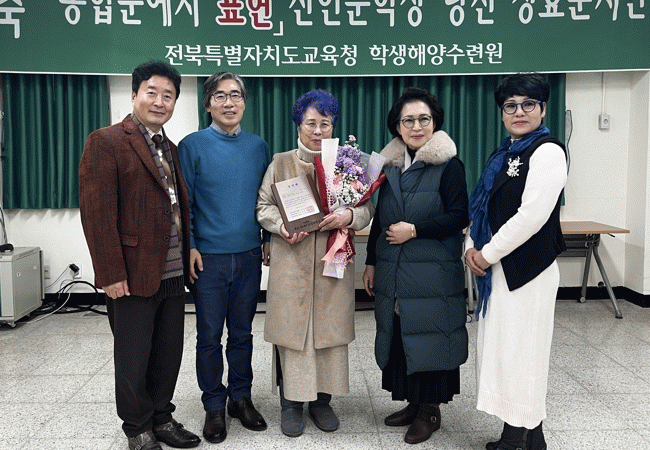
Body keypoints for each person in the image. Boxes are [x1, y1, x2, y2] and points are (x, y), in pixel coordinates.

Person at [79, 61, 201, 450]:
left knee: (167, 353)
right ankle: (137, 428)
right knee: (133, 356)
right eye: (152, 92)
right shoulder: (107, 141)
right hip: (131, 273)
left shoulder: (171, 148)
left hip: (172, 272)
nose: (160, 101)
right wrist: (110, 273)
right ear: (134, 95)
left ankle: (162, 417)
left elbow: (176, 209)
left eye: (168, 95)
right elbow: (97, 215)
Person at [256, 89, 374, 437]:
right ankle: (291, 404)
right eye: (311, 123)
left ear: (333, 126)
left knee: (328, 334)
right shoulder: (280, 163)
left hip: (332, 263)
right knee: (292, 335)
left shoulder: (347, 164)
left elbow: (367, 209)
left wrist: (349, 216)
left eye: (325, 123)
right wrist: (280, 227)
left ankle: (323, 401)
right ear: (299, 125)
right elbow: (263, 206)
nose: (318, 130)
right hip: (291, 263)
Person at [465, 73, 567, 450]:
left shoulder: (548, 151)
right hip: (500, 270)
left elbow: (531, 216)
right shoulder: (506, 153)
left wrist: (486, 253)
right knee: (510, 353)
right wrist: (471, 246)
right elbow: (483, 206)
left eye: (528, 104)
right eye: (510, 105)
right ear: (502, 112)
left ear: (543, 108)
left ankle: (515, 439)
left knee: (525, 355)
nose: (519, 112)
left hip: (528, 272)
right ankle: (530, 436)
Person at [362, 87, 469, 445]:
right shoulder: (390, 167)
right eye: (408, 120)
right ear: (397, 126)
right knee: (402, 334)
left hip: (432, 272)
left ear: (435, 122)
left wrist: (416, 230)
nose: (416, 126)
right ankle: (413, 402)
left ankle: (430, 411)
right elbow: (381, 220)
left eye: (424, 119)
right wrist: (371, 262)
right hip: (394, 269)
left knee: (431, 336)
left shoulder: (449, 165)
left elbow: (459, 215)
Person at [177, 72, 270, 444]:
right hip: (208, 259)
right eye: (220, 95)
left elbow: (266, 199)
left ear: (244, 102)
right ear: (208, 103)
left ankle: (240, 397)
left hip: (248, 255)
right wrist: (190, 245)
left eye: (236, 95)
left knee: (243, 333)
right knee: (209, 336)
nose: (229, 102)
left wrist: (268, 238)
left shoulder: (258, 146)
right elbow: (184, 204)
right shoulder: (192, 145)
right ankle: (214, 405)